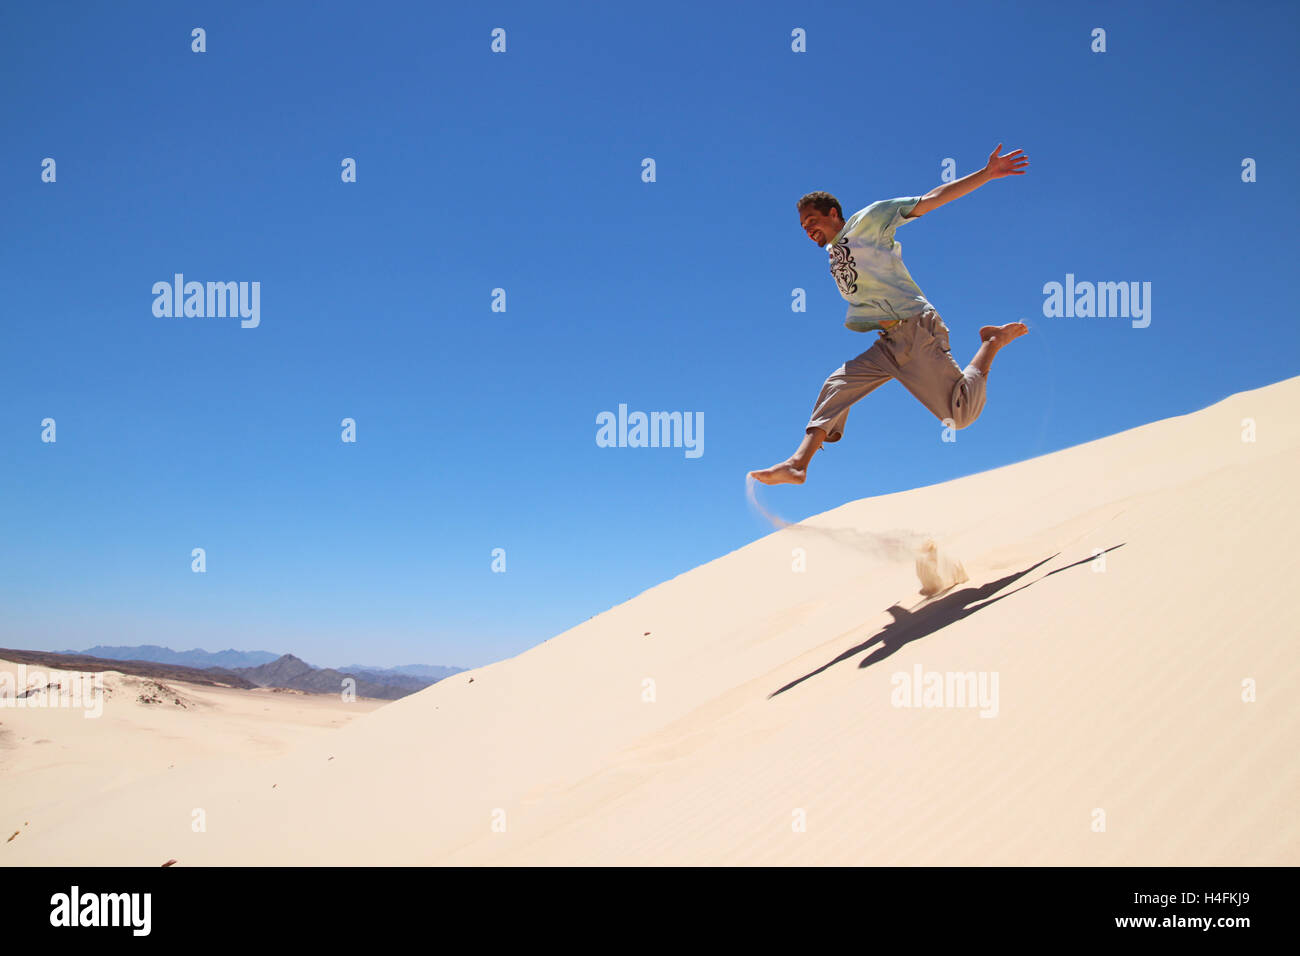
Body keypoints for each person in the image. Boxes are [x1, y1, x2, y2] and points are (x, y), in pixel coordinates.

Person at [749, 144, 1030, 486]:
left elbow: (932, 198)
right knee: (836, 385)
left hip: (914, 330)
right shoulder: (833, 255)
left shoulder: (869, 220)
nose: (808, 229)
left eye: (813, 220)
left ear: (834, 212)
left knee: (959, 415)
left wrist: (985, 174)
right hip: (888, 343)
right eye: (803, 226)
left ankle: (991, 342)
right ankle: (798, 464)